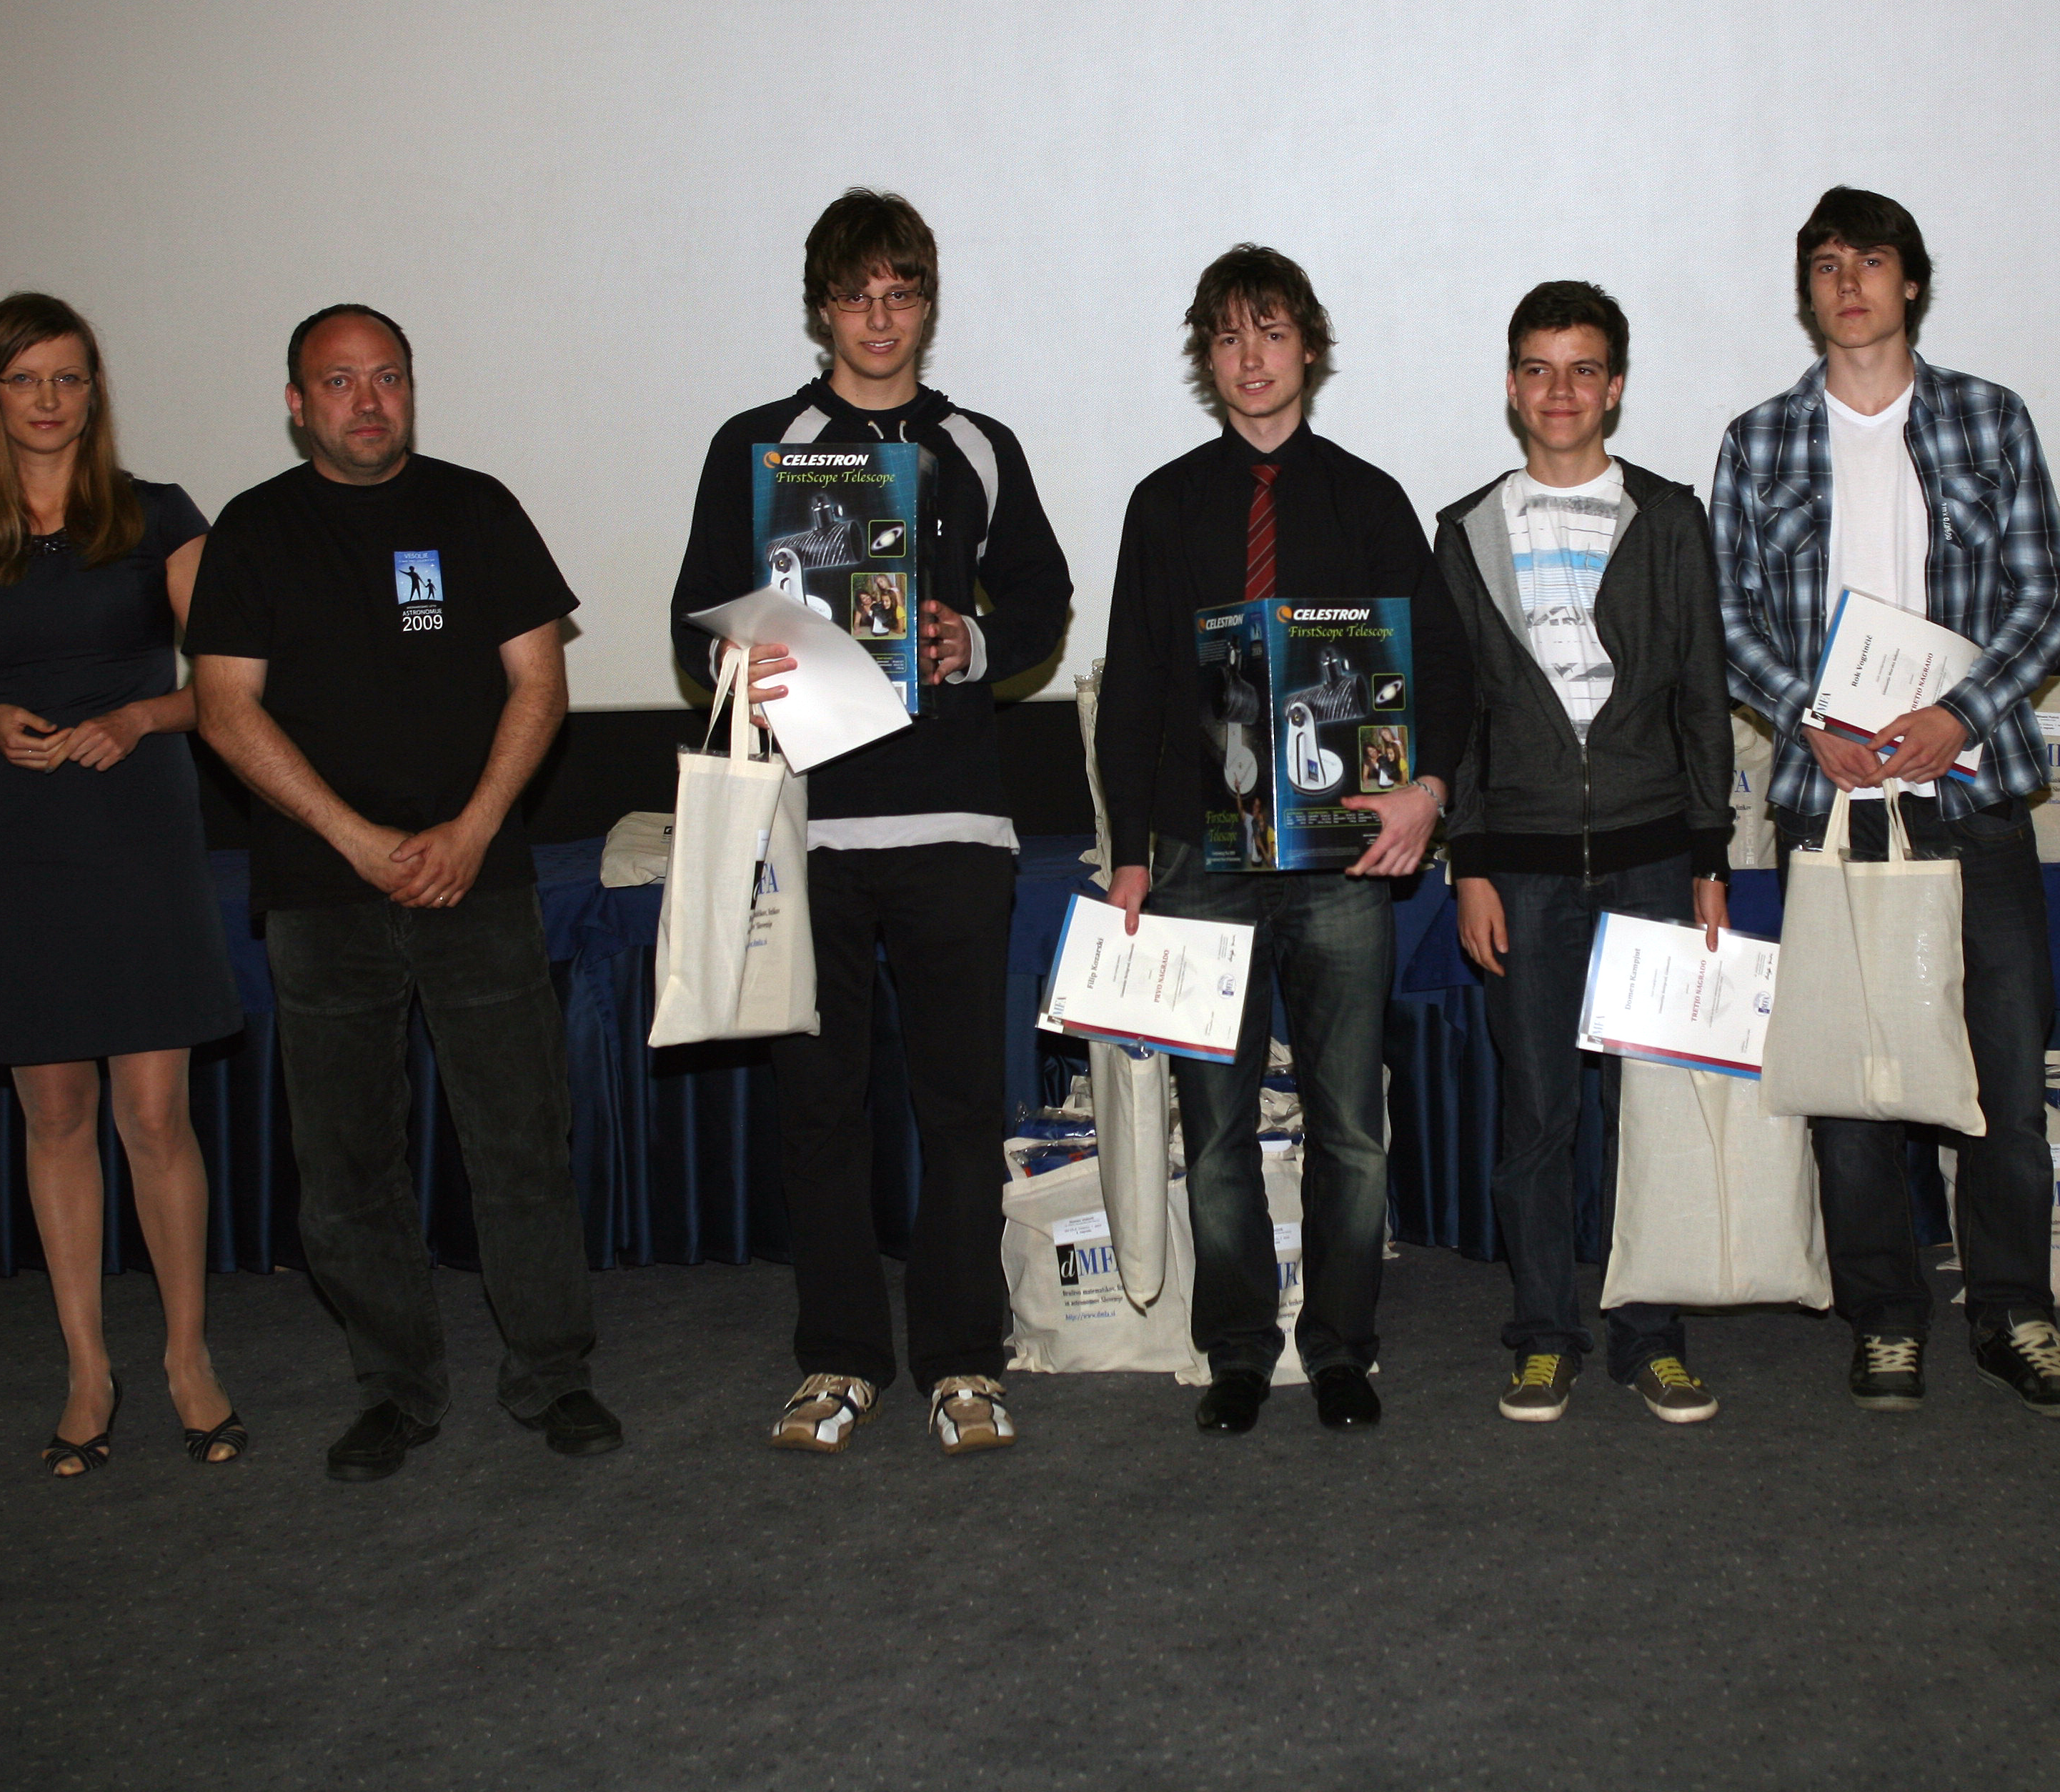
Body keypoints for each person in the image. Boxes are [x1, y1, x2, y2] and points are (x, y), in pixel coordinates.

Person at [669, 190, 1072, 1457]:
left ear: (928, 304)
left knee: (960, 1110)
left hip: (954, 822)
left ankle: (962, 1362)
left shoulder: (978, 445)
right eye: (856, 297)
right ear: (821, 309)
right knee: (819, 1110)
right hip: (806, 827)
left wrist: (974, 641)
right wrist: (745, 659)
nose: (880, 319)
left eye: (901, 295)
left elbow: (1042, 597)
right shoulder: (759, 444)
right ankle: (840, 1357)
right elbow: (698, 612)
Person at [190, 304, 622, 1481]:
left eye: (387, 377)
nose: (369, 400)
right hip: (320, 890)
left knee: (521, 1139)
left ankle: (553, 1371)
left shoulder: (476, 509)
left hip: (477, 877)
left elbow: (540, 684)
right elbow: (225, 709)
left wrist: (472, 829)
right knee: (347, 1164)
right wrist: (356, 839)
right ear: (298, 405)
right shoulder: (254, 529)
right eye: (340, 382)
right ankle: (395, 1387)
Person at [1711, 186, 2060, 1419]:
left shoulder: (1990, 419)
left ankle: (2015, 1311)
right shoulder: (1760, 439)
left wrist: (1960, 714)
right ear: (1807, 290)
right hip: (1827, 804)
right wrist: (1809, 720)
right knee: (1851, 1083)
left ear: (1911, 282)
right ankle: (1884, 1317)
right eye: (1826, 265)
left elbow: (2050, 594)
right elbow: (1726, 616)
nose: (1849, 283)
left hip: (1969, 795)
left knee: (2005, 1079)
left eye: (1871, 261)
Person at [1096, 245, 1472, 1434]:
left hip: (1342, 860)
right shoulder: (1164, 504)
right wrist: (1129, 854)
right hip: (1196, 857)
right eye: (1227, 337)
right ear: (1206, 360)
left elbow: (1444, 670)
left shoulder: (1369, 500)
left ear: (1309, 346)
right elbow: (1132, 688)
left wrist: (1428, 791)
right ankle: (1239, 1351)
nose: (1250, 358)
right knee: (1213, 1130)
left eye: (1270, 332)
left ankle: (1345, 1349)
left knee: (1349, 1125)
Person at [0, 292, 248, 1477]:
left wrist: (141, 715)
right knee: (53, 1114)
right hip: (11, 835)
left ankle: (187, 1359)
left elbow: (231, 685)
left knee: (154, 1113)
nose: (49, 399)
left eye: (69, 378)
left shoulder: (159, 515)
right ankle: (89, 1371)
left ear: (94, 393)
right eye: (25, 378)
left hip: (138, 823)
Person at [1435, 282, 1736, 1425]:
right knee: (1539, 1112)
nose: (1559, 390)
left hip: (1655, 860)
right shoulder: (1465, 528)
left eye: (1583, 369)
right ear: (1512, 388)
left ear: (1614, 388)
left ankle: (1650, 1335)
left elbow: (1702, 695)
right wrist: (1467, 864)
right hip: (1518, 869)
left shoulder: (1669, 518)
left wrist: (1709, 859)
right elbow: (1454, 717)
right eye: (1538, 368)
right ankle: (1545, 1333)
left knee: (1654, 1111)